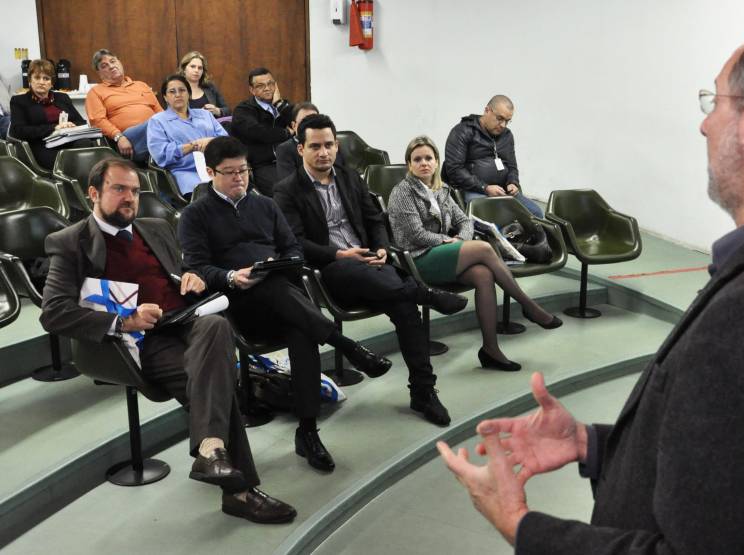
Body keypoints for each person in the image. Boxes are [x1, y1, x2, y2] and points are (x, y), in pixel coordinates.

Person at [438, 14, 744, 554]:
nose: (704, 125)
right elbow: (737, 474)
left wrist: (520, 524)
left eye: (715, 102)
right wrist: (591, 445)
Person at [40, 158, 296, 524]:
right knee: (215, 382)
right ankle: (238, 490)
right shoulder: (70, 243)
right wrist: (124, 321)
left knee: (216, 325)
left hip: (186, 321)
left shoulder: (156, 227)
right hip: (142, 341)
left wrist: (191, 278)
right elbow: (53, 313)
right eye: (118, 189)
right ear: (93, 193)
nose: (129, 198)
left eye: (134, 191)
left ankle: (211, 451)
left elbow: (180, 269)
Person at [178, 136, 391, 473]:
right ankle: (345, 345)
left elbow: (293, 249)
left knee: (299, 325)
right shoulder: (195, 214)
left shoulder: (265, 205)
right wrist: (232, 276)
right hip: (237, 306)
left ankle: (308, 431)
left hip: (281, 300)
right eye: (230, 172)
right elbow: (196, 267)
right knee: (280, 294)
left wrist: (278, 264)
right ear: (210, 172)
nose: (239, 178)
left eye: (243, 170)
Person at [273, 115, 468, 427]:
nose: (324, 152)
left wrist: (380, 248)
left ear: (336, 146)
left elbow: (375, 219)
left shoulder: (349, 177)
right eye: (315, 146)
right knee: (393, 289)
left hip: (373, 267)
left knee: (406, 308)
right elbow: (295, 242)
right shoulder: (287, 190)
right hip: (330, 271)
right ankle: (424, 293)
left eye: (329, 145)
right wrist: (339, 253)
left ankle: (423, 391)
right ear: (301, 150)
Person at [388, 136, 561, 372]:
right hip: (417, 258)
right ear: (409, 164)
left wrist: (460, 239)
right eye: (417, 159)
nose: (424, 163)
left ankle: (491, 350)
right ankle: (529, 306)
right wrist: (447, 240)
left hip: (442, 253)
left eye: (429, 158)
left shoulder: (441, 190)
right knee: (484, 248)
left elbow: (464, 221)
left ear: (436, 162)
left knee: (483, 275)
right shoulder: (402, 192)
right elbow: (415, 235)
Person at [442, 95, 543, 217]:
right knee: (496, 216)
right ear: (487, 110)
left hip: (502, 191)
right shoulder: (463, 131)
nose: (503, 125)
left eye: (507, 121)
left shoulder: (507, 136)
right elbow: (454, 169)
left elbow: (512, 167)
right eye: (500, 118)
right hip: (472, 189)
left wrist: (513, 182)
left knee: (536, 213)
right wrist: (485, 187)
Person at [147, 74, 228, 197]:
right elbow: (161, 154)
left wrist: (211, 141)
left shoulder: (205, 114)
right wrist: (192, 146)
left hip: (217, 168)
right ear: (165, 97)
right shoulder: (157, 121)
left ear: (189, 94)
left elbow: (226, 141)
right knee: (206, 196)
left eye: (182, 90)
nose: (178, 95)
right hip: (186, 172)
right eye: (172, 91)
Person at [9, 59, 93, 170]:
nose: (41, 82)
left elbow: (81, 122)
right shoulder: (19, 101)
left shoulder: (62, 97)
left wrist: (70, 125)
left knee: (86, 146)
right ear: (30, 80)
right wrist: (54, 128)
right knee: (71, 162)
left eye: (46, 78)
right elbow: (19, 130)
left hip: (67, 141)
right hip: (41, 145)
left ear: (52, 82)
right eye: (37, 78)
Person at [86, 49, 162, 159]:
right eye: (104, 66)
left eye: (113, 61)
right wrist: (119, 137)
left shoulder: (141, 85)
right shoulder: (95, 92)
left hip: (155, 131)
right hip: (128, 139)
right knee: (156, 124)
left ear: (120, 63)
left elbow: (160, 112)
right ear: (99, 73)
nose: (111, 66)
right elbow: (98, 121)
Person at [231, 67, 295, 196]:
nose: (267, 88)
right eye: (260, 86)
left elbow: (301, 125)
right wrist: (287, 133)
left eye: (270, 84)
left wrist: (279, 104)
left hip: (290, 160)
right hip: (263, 164)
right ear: (252, 90)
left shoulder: (283, 106)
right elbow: (259, 132)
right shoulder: (243, 110)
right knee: (285, 192)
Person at [177, 51, 230, 118]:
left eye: (200, 68)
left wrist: (217, 111)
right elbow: (173, 116)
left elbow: (228, 110)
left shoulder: (209, 87)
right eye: (192, 66)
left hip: (212, 124)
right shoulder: (176, 90)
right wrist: (199, 114)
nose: (196, 70)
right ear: (184, 69)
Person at [276, 101, 319, 179]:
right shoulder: (285, 149)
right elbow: (288, 182)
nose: (310, 126)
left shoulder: (329, 144)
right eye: (304, 122)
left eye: (314, 121)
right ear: (294, 126)